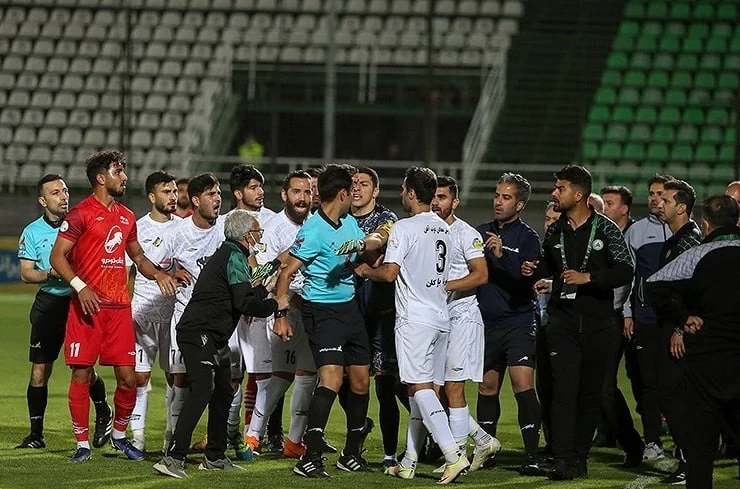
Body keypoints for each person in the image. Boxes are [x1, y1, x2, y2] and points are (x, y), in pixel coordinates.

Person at [50, 150, 181, 463]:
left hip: (119, 309)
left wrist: (160, 273)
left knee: (129, 379)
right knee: (82, 375)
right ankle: (82, 443)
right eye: (118, 172)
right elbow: (57, 257)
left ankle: (119, 436)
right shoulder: (81, 214)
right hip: (87, 309)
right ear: (101, 178)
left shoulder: (125, 217)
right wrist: (80, 287)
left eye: (123, 172)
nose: (124, 177)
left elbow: (138, 257)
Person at [356, 166, 470, 484]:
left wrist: (365, 271)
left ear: (410, 193)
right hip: (441, 317)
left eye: (404, 189)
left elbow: (390, 273)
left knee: (418, 389)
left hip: (414, 319)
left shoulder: (404, 228)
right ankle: (409, 460)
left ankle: (453, 454)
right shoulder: (446, 228)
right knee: (425, 389)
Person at [522, 165, 633, 480]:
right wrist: (536, 267)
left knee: (589, 393)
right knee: (563, 391)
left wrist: (591, 278)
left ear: (579, 194)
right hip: (563, 323)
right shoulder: (556, 229)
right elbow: (550, 261)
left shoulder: (606, 229)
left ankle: (579, 459)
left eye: (560, 188)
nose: (555, 193)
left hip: (599, 324)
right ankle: (562, 457)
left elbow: (626, 269)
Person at [154, 210, 279, 479]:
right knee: (203, 390)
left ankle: (215, 455)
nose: (260, 237)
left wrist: (265, 290)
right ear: (247, 236)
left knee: (224, 392)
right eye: (257, 232)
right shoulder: (234, 256)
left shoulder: (232, 254)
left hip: (213, 335)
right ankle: (173, 457)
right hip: (200, 333)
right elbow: (244, 304)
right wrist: (275, 304)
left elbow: (242, 295)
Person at [273, 164, 373, 478]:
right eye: (352, 189)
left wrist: (373, 245)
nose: (355, 194)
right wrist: (281, 314)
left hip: (349, 309)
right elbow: (286, 273)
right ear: (342, 194)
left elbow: (359, 255)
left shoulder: (348, 223)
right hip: (322, 313)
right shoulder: (313, 231)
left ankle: (351, 453)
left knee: (360, 380)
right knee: (331, 380)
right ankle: (309, 456)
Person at [646, 195, 740, 489]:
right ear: (737, 221)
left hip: (706, 361)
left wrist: (683, 316)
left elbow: (655, 285)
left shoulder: (697, 255)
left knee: (701, 448)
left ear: (705, 224)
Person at [16, 175, 111, 450]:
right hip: (49, 304)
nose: (63, 197)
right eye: (55, 193)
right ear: (42, 200)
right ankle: (36, 434)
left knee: (84, 368)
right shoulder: (32, 232)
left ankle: (103, 411)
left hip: (77, 302)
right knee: (39, 373)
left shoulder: (82, 223)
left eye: (65, 191)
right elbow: (26, 274)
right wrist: (52, 273)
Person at [242, 170, 317, 458]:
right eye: (297, 192)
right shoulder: (272, 228)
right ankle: (252, 435)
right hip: (282, 312)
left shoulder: (316, 225)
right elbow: (260, 273)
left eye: (307, 192)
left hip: (311, 309)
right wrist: (281, 304)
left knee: (308, 375)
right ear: (284, 195)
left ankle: (294, 441)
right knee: (277, 377)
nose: (302, 198)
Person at [431, 176, 501, 472]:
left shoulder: (466, 234)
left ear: (455, 201)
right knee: (434, 390)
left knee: (454, 387)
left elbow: (481, 275)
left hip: (462, 316)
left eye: (443, 197)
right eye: (433, 196)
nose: (436, 202)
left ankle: (455, 458)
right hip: (436, 317)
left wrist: (444, 285)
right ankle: (482, 439)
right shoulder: (425, 231)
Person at [161, 173, 226, 453]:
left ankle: (219, 443)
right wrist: (170, 273)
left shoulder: (226, 228)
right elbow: (149, 264)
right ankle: (173, 442)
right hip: (186, 316)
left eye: (219, 193)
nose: (218, 198)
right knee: (181, 380)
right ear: (196, 200)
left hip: (220, 321)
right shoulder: (177, 232)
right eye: (211, 194)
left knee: (226, 384)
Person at [349, 166, 405, 469]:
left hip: (382, 313)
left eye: (364, 184)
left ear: (376, 190)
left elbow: (380, 237)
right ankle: (355, 444)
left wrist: (360, 248)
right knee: (346, 384)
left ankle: (389, 455)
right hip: (349, 313)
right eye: (354, 183)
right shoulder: (340, 218)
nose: (357, 188)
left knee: (385, 387)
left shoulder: (387, 219)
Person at [650, 179, 702, 484]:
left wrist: (681, 328)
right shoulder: (675, 240)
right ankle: (688, 458)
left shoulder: (688, 241)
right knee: (669, 394)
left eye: (666, 200)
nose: (660, 203)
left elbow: (691, 290)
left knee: (674, 395)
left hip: (679, 328)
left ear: (682, 207)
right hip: (670, 325)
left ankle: (690, 459)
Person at [127, 171, 181, 452]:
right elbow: (124, 272)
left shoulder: (183, 228)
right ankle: (138, 437)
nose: (173, 197)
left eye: (174, 192)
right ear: (151, 196)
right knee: (140, 377)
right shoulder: (137, 229)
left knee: (175, 376)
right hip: (142, 313)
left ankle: (171, 437)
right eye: (166, 192)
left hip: (174, 315)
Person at [225, 164, 276, 457]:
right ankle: (229, 430)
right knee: (232, 376)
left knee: (265, 376)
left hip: (261, 309)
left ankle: (253, 435)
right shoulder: (227, 223)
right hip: (234, 310)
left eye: (261, 186)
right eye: (254, 187)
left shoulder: (274, 220)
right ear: (238, 192)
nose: (260, 192)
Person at [592, 185, 644, 465]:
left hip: (625, 317)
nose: (606, 207)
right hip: (603, 315)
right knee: (601, 382)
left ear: (624, 209)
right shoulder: (602, 233)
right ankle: (607, 433)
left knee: (625, 381)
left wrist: (626, 312)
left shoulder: (634, 235)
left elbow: (633, 278)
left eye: (611, 203)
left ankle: (640, 441)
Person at [622, 175, 673, 461]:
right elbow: (630, 278)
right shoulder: (637, 231)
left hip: (674, 321)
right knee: (648, 384)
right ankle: (652, 441)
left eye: (661, 195)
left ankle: (685, 439)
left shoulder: (684, 232)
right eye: (652, 194)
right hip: (646, 318)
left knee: (677, 383)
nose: (654, 199)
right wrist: (629, 313)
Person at [535, 202, 559, 453]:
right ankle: (552, 442)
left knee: (561, 387)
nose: (549, 223)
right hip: (541, 326)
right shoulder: (542, 249)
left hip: (561, 326)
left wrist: (550, 284)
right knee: (544, 387)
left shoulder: (564, 250)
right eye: (547, 218)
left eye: (554, 219)